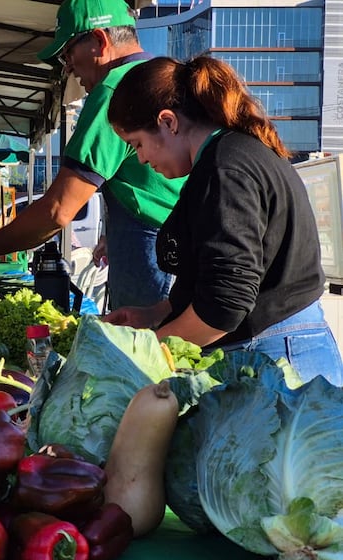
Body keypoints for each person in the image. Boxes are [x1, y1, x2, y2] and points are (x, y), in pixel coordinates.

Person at [104, 55, 343, 386]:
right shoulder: (233, 156)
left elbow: (225, 303)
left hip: (275, 360)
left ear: (168, 122)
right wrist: (158, 313)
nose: (142, 159)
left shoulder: (224, 169)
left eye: (138, 145)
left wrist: (147, 350)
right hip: (280, 349)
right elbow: (225, 273)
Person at [0, 0, 184, 310]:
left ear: (99, 41)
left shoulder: (113, 89)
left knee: (145, 352)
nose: (67, 67)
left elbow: (58, 210)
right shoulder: (154, 75)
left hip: (155, 252)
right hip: (173, 245)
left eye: (68, 54)